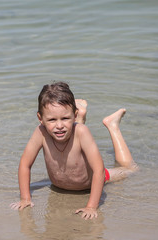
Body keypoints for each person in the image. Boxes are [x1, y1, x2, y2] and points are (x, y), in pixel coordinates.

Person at [10, 81, 138, 219]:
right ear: (40, 118)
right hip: (60, 184)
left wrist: (91, 206)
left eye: (65, 118)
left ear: (73, 115)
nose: (59, 125)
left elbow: (99, 170)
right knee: (70, 131)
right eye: (52, 120)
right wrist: (25, 198)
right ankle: (79, 117)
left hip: (93, 181)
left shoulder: (82, 132)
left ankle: (113, 126)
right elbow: (25, 164)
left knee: (130, 169)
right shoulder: (41, 133)